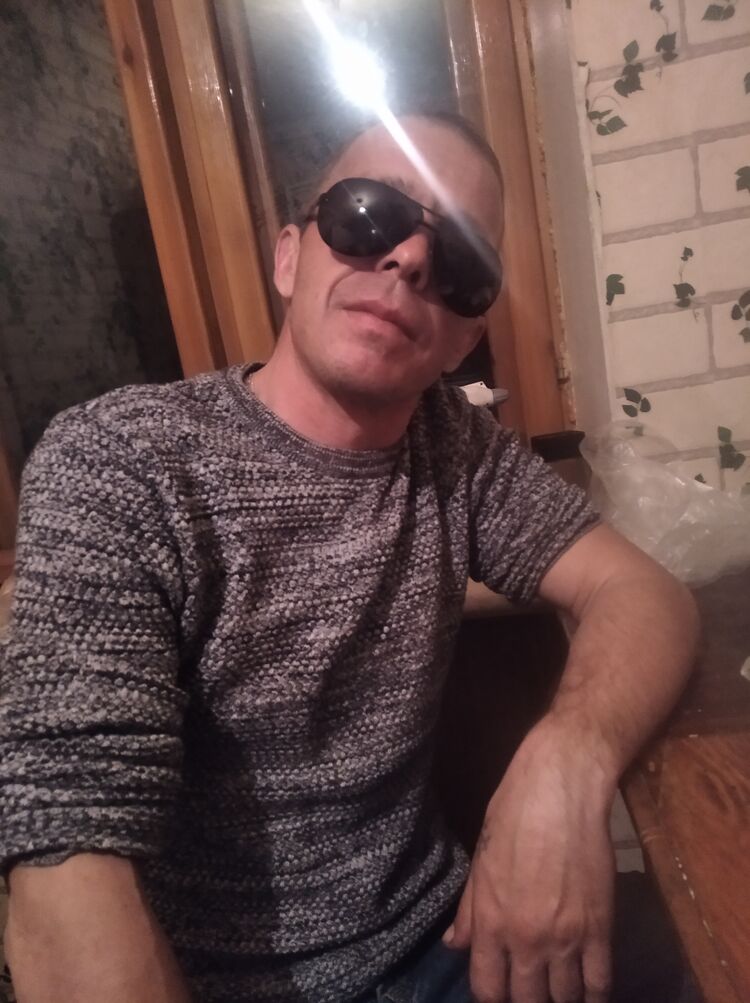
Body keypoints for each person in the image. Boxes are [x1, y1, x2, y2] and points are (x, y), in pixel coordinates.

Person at [0, 112, 698, 1003]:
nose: (409, 259)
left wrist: (568, 759)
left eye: (460, 262)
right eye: (368, 215)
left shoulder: (456, 449)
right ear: (289, 257)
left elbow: (642, 591)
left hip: (448, 940)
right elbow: (67, 844)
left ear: (464, 335)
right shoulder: (123, 460)